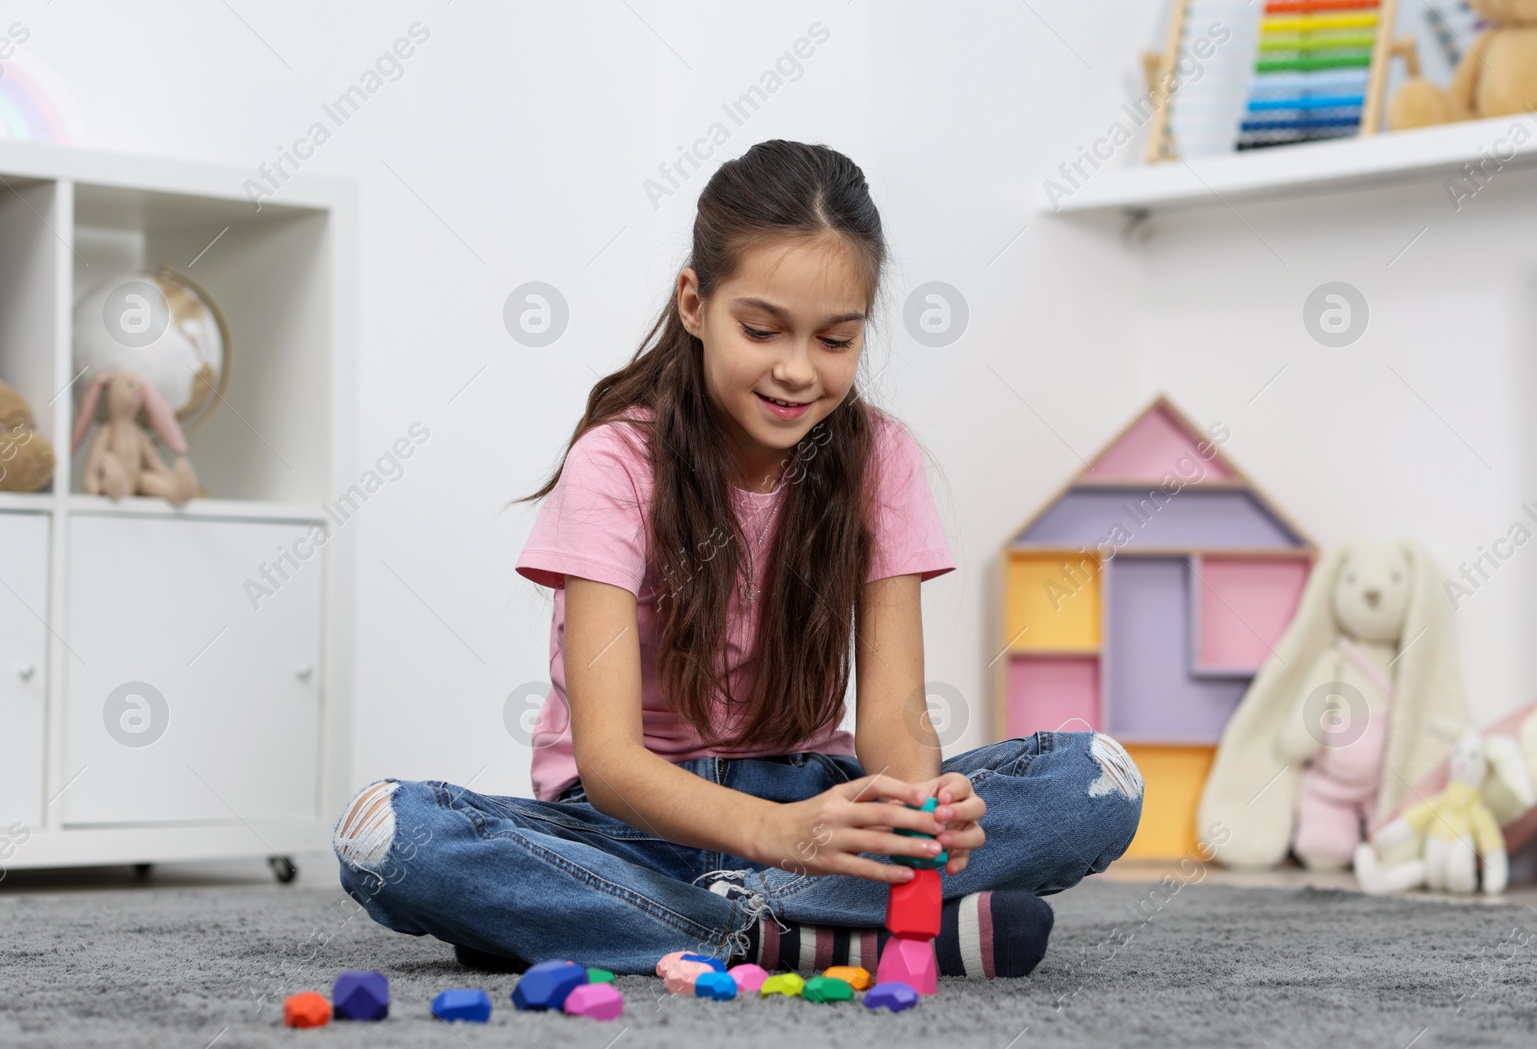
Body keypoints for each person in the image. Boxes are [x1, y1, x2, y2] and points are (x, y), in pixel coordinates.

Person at [333, 139, 1143, 979]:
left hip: (817, 800)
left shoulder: (880, 459)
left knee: (1094, 781)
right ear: (695, 302)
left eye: (835, 339)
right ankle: (807, 933)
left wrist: (919, 808)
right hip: (632, 827)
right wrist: (779, 837)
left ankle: (637, 924)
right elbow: (608, 763)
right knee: (390, 832)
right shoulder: (615, 462)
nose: (797, 371)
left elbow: (897, 722)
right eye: (762, 330)